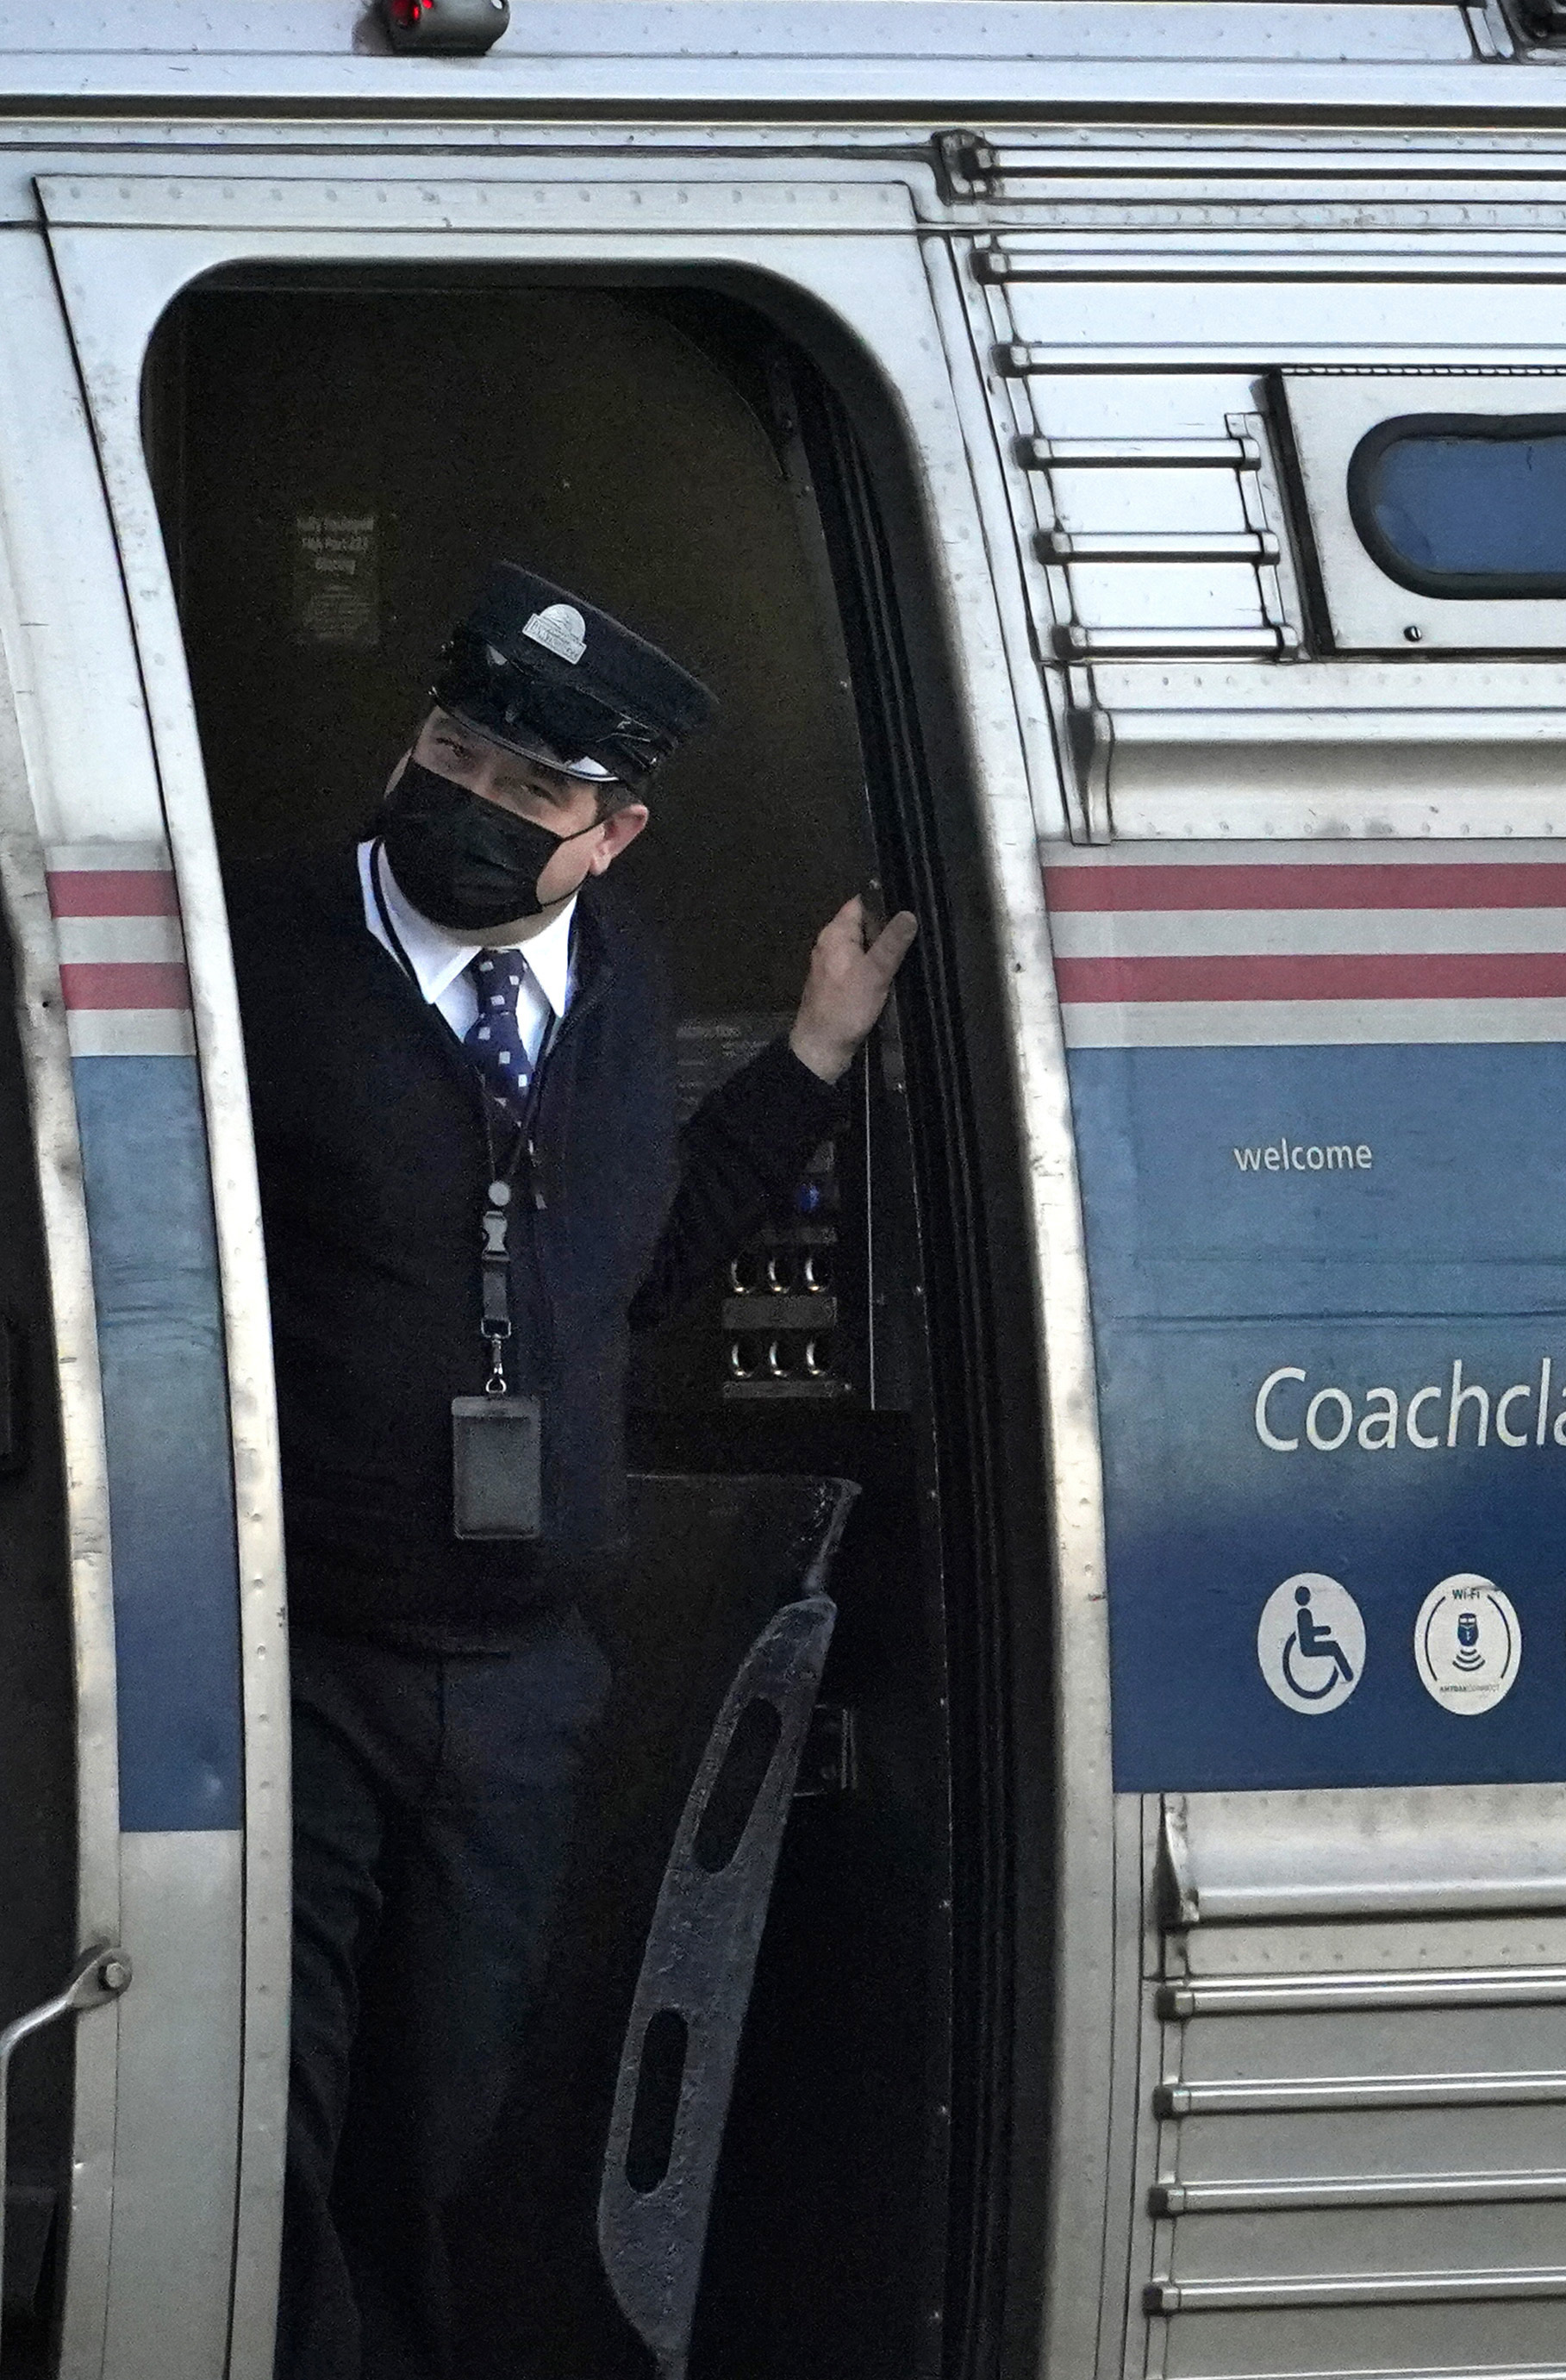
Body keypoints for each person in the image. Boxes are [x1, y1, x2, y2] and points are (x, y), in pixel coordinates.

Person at [230, 565, 916, 2380]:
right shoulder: (258, 959)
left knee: (453, 2121)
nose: (471, 797)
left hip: (524, 1679)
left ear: (613, 832)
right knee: (265, 2120)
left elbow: (644, 1262)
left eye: (531, 790)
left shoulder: (617, 995)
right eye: (454, 749)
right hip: (300, 1661)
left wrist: (814, 1058)